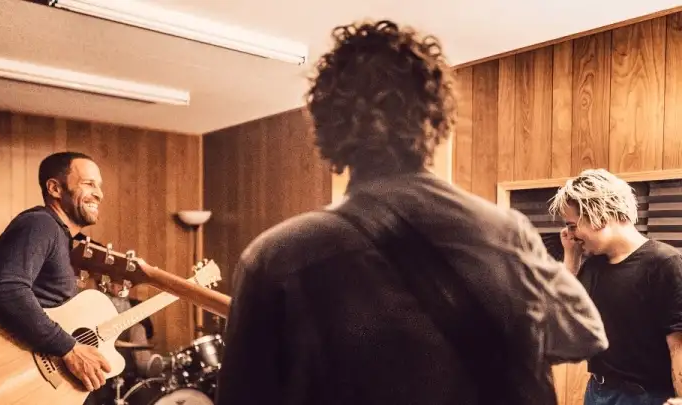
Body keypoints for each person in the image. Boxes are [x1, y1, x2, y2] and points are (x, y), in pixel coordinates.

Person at [215, 20, 608, 405]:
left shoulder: (275, 257)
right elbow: (583, 334)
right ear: (434, 119)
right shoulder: (505, 232)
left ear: (326, 126)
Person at [0, 151, 111, 395]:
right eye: (89, 183)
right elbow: (5, 289)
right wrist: (69, 348)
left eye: (99, 185)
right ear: (55, 188)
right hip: (7, 369)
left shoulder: (59, 235)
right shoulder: (41, 224)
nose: (99, 193)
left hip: (28, 372)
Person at [550, 169, 682, 405]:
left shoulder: (665, 263)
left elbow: (678, 345)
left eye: (572, 225)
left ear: (599, 215)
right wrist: (571, 257)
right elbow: (560, 318)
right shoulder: (593, 266)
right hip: (598, 391)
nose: (570, 234)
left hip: (647, 396)